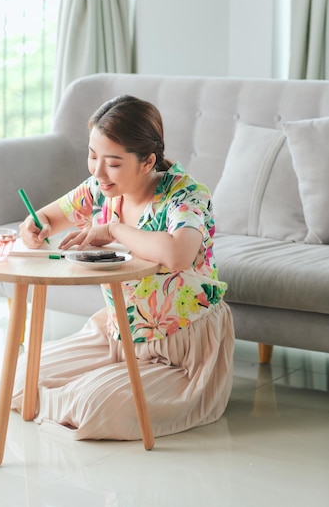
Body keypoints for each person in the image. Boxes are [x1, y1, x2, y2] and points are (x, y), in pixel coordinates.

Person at [12, 94, 234, 440]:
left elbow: (179, 254)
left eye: (113, 163)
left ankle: (76, 396)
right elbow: (48, 218)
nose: (98, 172)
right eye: (92, 155)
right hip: (119, 333)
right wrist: (33, 226)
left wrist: (113, 229)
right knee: (20, 375)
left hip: (180, 351)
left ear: (147, 162)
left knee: (94, 405)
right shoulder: (101, 187)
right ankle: (72, 393)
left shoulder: (184, 195)